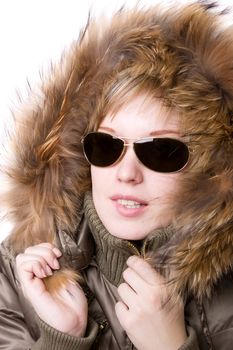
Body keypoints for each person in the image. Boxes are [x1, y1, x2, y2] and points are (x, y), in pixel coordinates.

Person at [0, 1, 233, 349]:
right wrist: (61, 338)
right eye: (106, 145)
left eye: (161, 152)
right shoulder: (20, 273)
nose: (126, 173)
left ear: (210, 171)